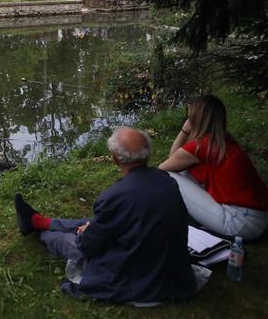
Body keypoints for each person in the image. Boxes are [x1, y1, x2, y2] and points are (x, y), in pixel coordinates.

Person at [15, 127, 196, 304]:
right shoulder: (166, 181)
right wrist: (91, 228)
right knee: (90, 223)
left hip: (137, 272)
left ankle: (39, 230)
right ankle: (37, 221)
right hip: (167, 266)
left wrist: (86, 233)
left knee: (65, 241)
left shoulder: (115, 197)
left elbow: (87, 246)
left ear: (116, 158)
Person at [158, 95, 268, 240]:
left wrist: (185, 130)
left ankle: (161, 217)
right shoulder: (225, 141)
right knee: (182, 171)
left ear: (195, 119)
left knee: (168, 176)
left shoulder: (201, 146)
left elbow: (164, 168)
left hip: (240, 223)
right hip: (260, 218)